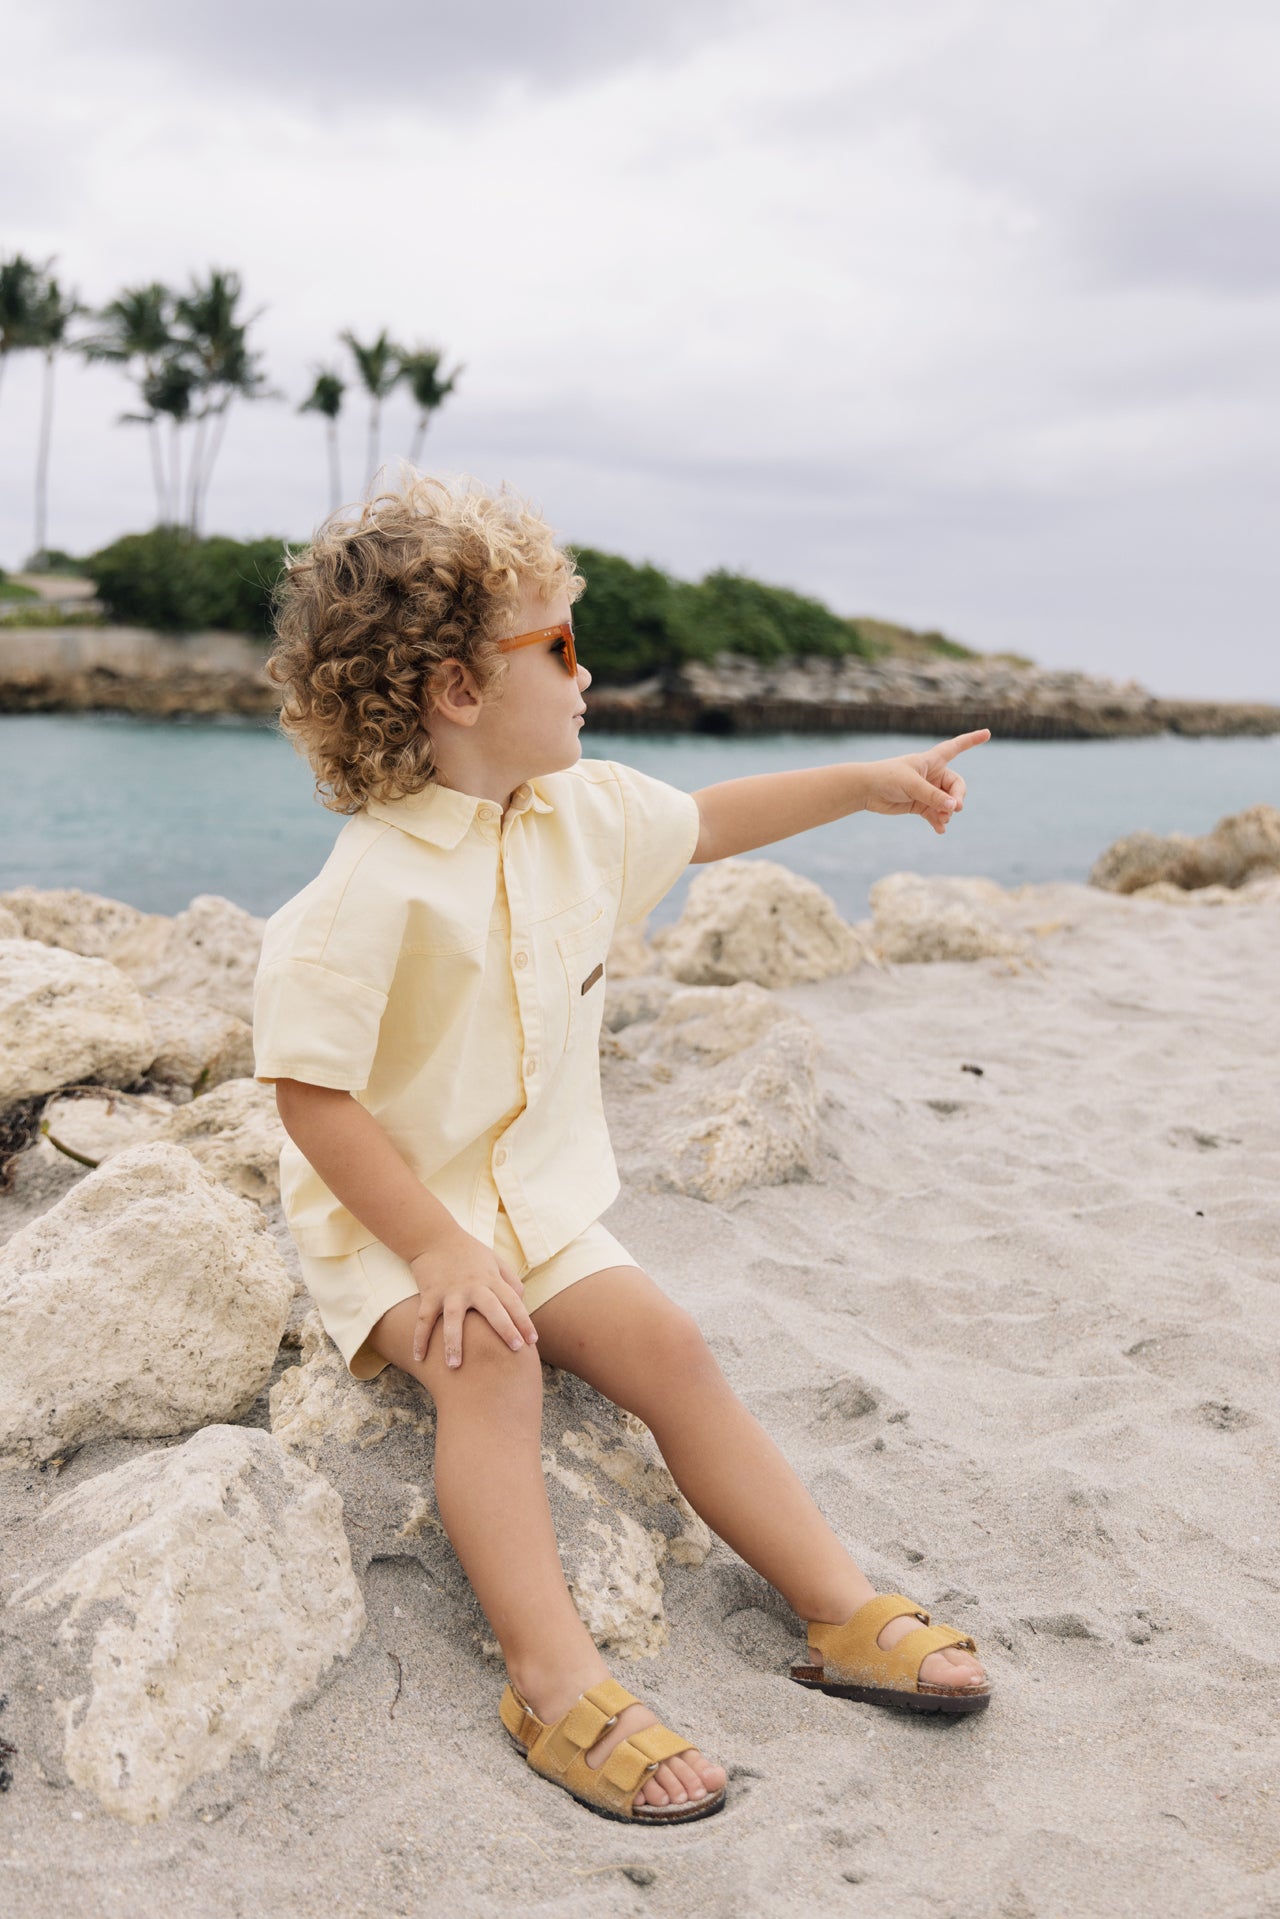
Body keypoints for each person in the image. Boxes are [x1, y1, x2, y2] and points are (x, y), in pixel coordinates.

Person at [253, 472, 994, 1828]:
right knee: (495, 1376)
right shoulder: (364, 889)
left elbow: (713, 822)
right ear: (459, 689)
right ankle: (550, 1677)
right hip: (401, 1221)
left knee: (672, 1350)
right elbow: (313, 1098)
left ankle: (833, 1605)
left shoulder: (580, 816)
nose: (591, 674)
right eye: (562, 647)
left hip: (538, 1203)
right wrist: (433, 1247)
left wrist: (871, 785)